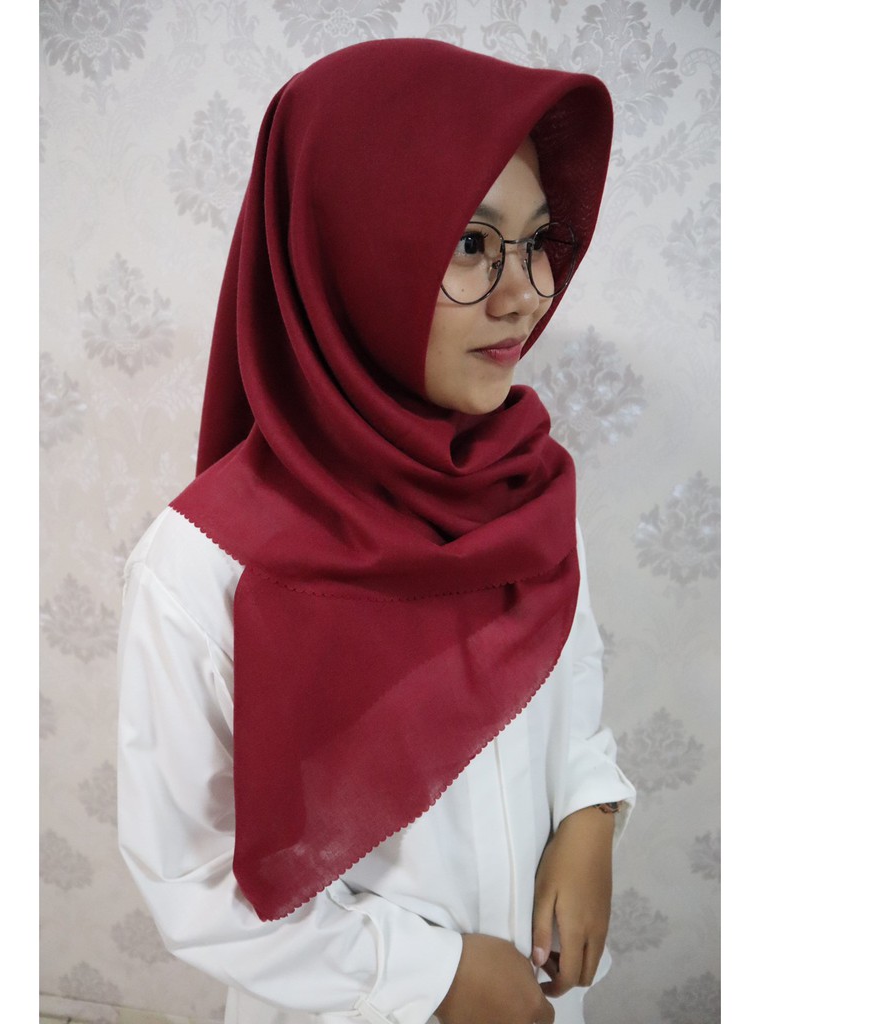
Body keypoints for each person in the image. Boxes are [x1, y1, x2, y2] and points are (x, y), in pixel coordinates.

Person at [117, 38, 636, 1024]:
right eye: (472, 243)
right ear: (347, 250)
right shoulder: (205, 569)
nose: (527, 294)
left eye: (536, 240)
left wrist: (591, 809)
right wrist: (432, 975)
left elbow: (569, 679)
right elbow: (191, 878)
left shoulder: (524, 487)